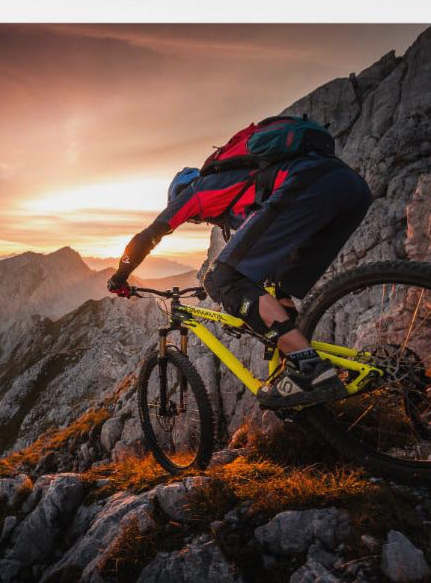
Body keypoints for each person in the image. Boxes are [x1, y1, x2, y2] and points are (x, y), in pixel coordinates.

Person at [106, 134, 372, 409]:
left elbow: (147, 236)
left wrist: (120, 276)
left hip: (310, 183)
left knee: (221, 279)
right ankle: (298, 382)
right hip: (350, 188)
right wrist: (243, 304)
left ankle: (309, 368)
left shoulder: (196, 191)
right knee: (276, 286)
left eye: (195, 219)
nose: (199, 220)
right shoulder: (241, 194)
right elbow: (265, 253)